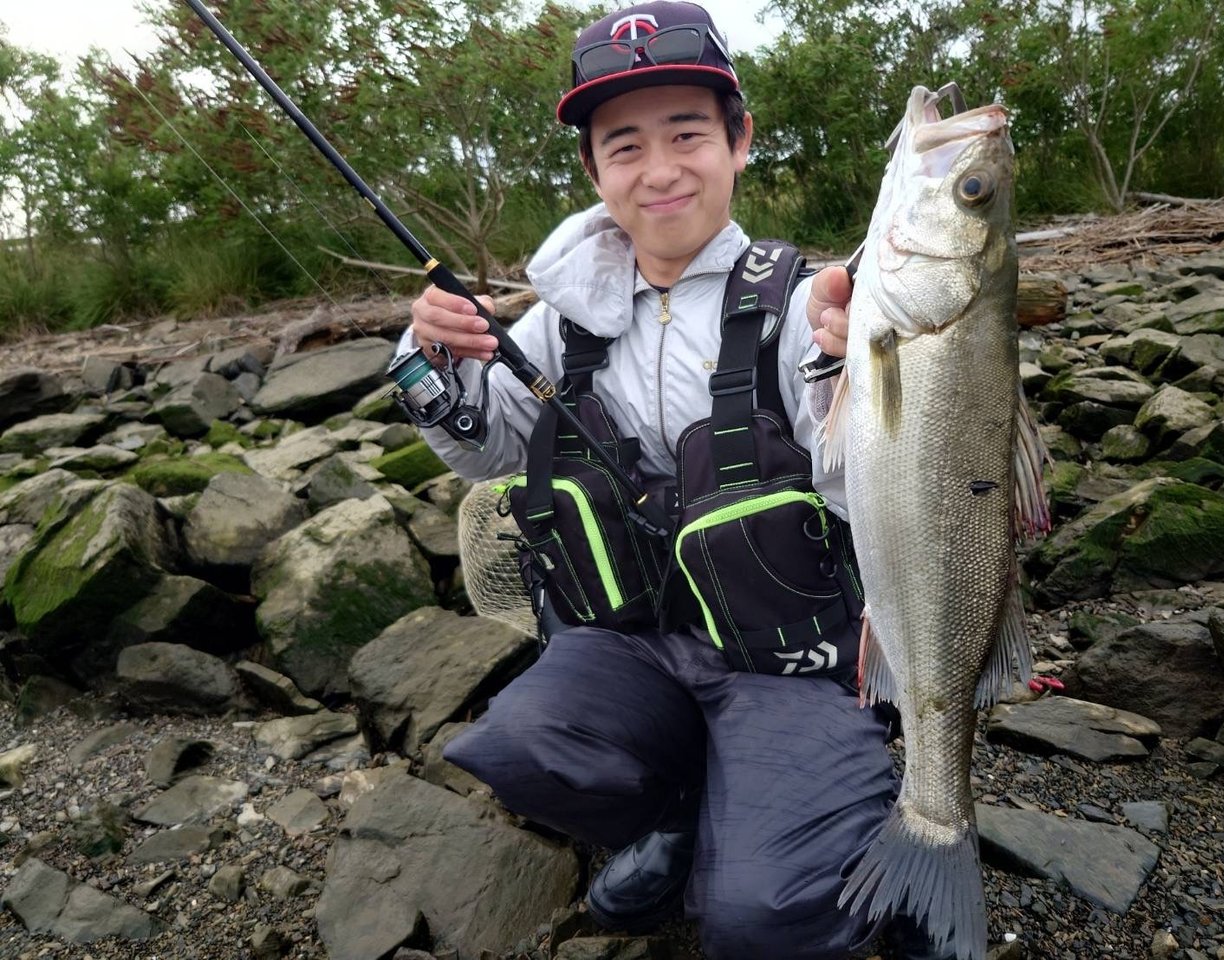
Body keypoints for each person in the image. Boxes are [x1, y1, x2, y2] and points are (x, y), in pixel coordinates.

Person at [402, 4, 948, 958]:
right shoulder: (558, 322)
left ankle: (876, 845)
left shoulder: (808, 303)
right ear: (594, 170)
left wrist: (853, 372)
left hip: (788, 657)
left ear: (740, 141)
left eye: (687, 134)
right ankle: (681, 812)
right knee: (513, 745)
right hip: (635, 644)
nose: (658, 170)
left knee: (758, 920)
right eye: (625, 146)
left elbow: (874, 488)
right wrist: (429, 365)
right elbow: (490, 452)